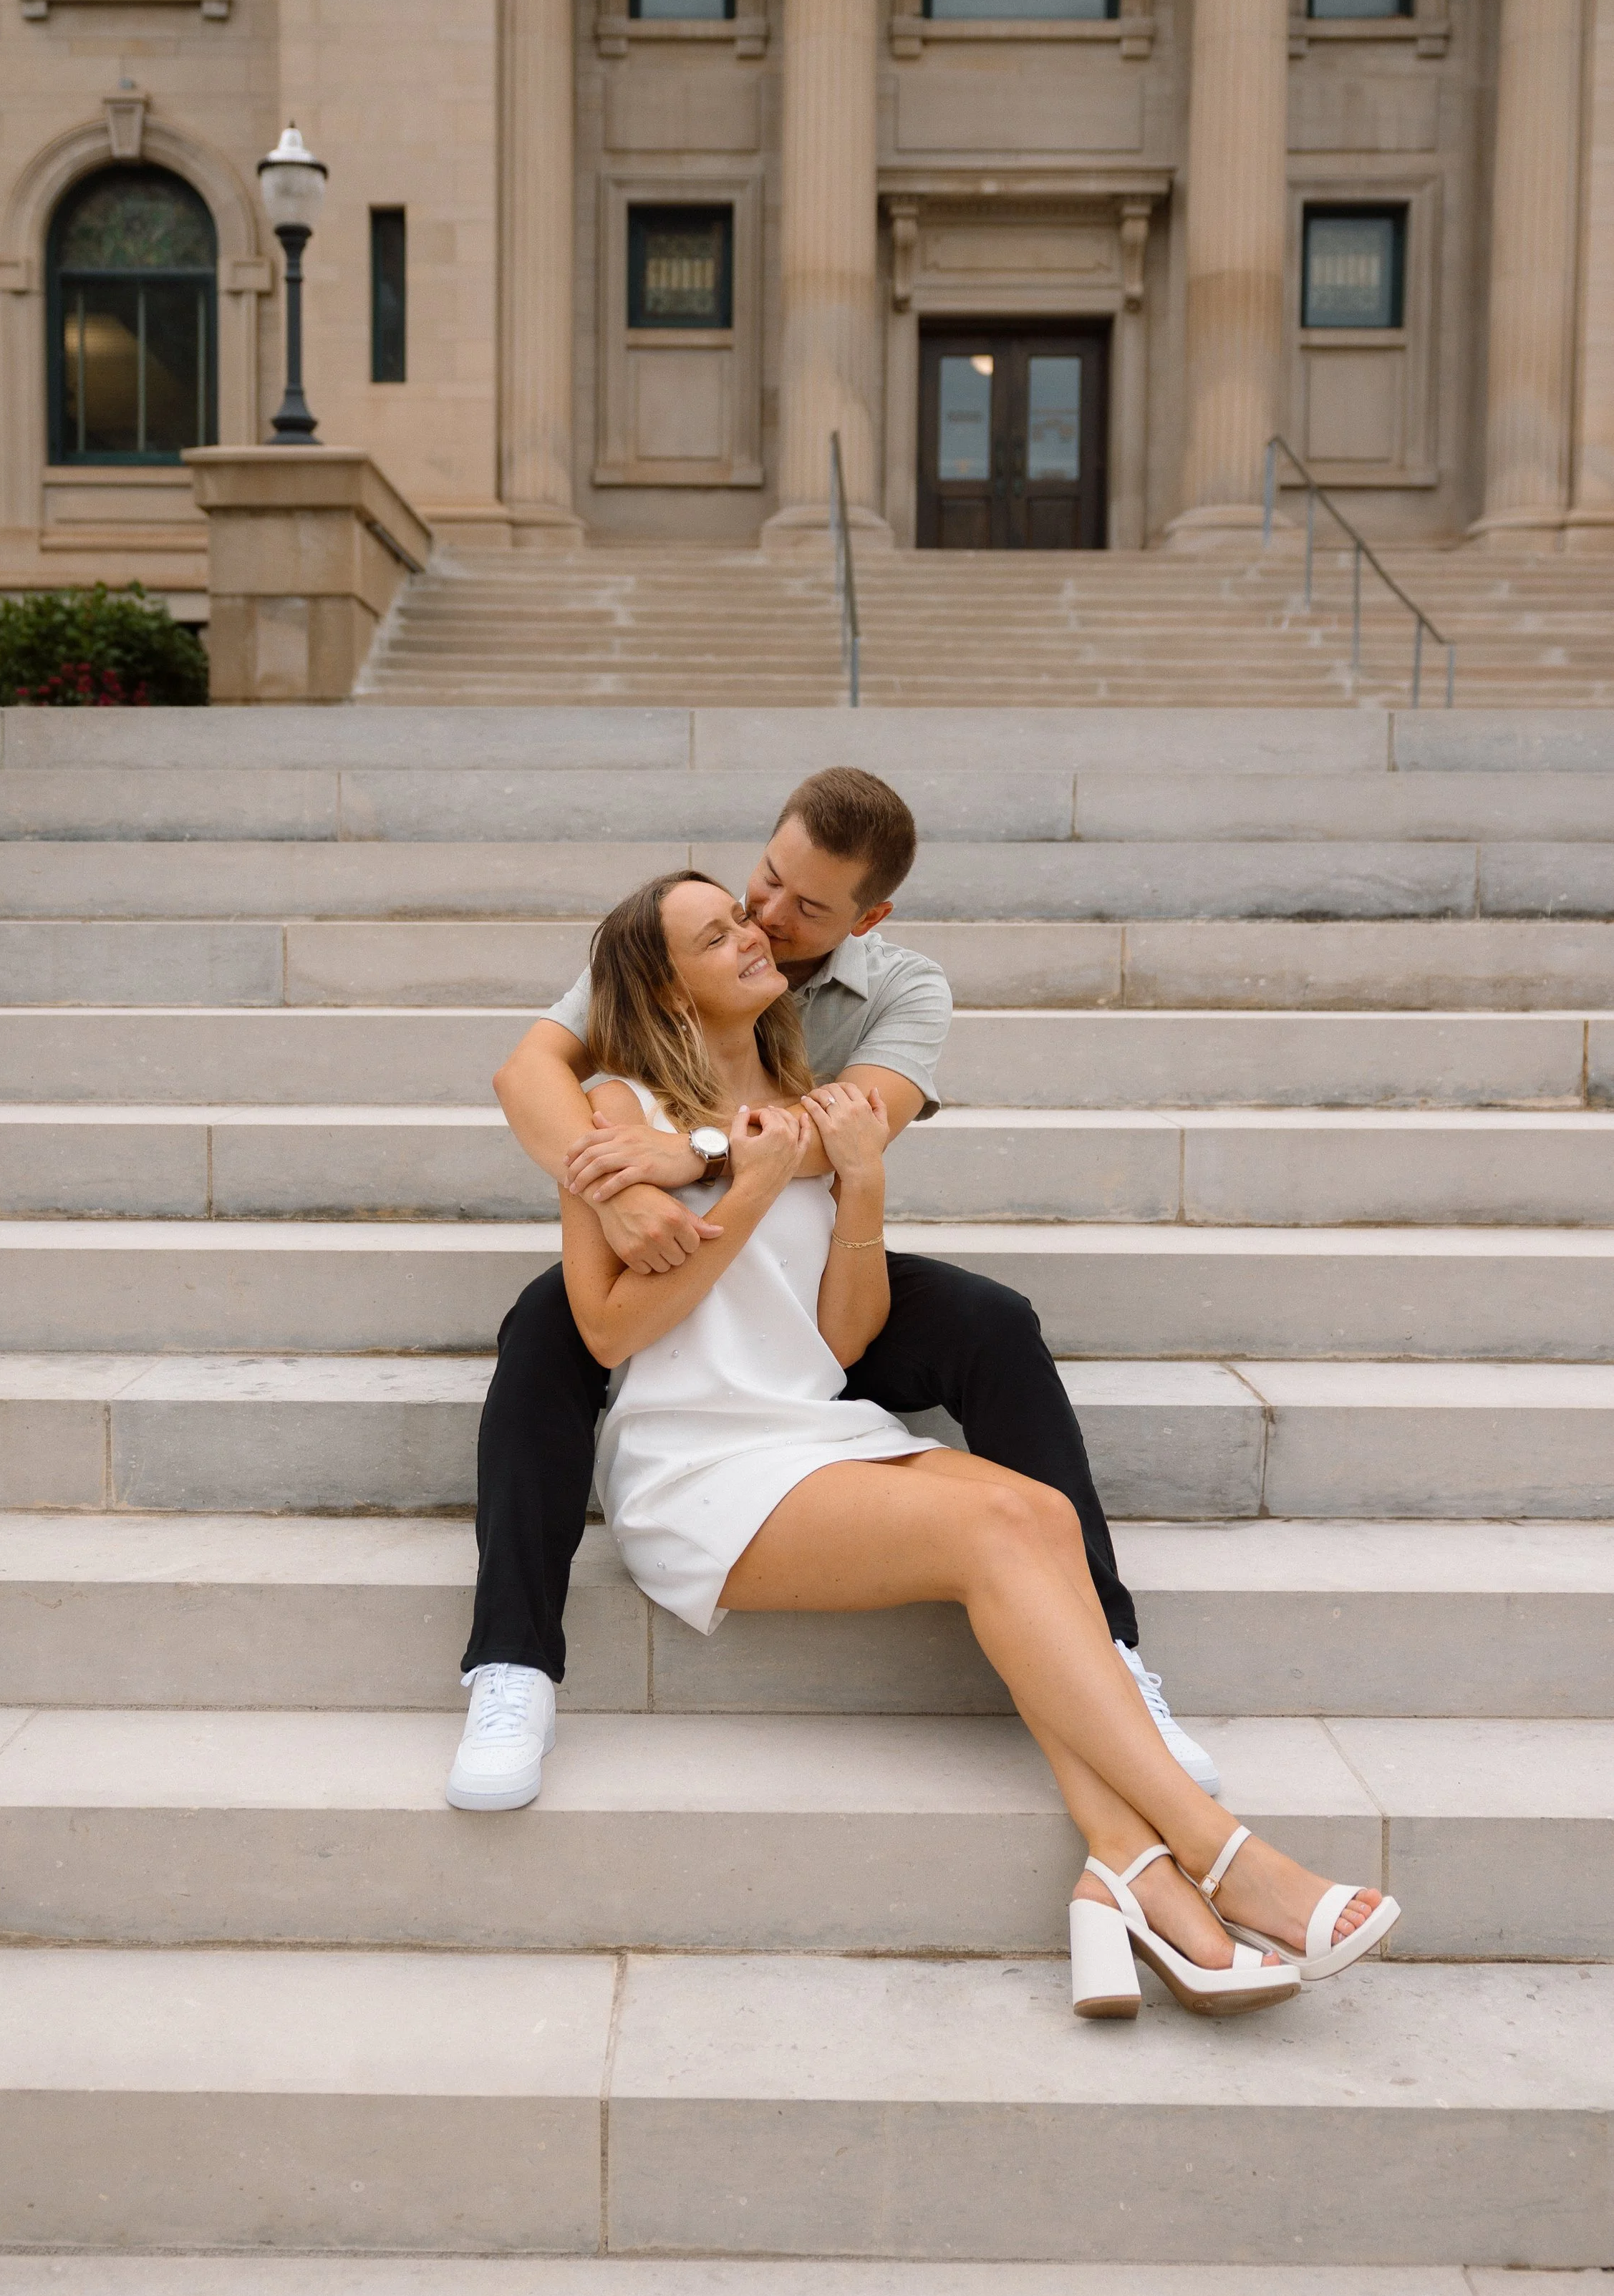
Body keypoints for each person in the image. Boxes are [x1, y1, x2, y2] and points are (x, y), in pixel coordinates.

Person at [561, 868, 1399, 2015]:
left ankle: (1126, 1868)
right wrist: (745, 1191)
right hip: (695, 1463)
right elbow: (607, 1330)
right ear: (664, 988)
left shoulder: (808, 1100)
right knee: (1002, 1521)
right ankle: (1222, 1851)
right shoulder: (615, 1110)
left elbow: (840, 1338)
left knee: (1040, 1513)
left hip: (809, 1424)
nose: (755, 935)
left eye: (743, 917)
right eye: (716, 935)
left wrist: (860, 1183)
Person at [449, 767, 1214, 1813]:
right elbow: (530, 1071)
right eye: (764, 880)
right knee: (548, 1324)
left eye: (805, 907)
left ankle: (1114, 1656)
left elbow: (845, 1128)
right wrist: (616, 1187)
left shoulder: (903, 988)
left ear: (867, 917)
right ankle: (513, 1662)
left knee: (995, 1325)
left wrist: (716, 1157)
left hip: (794, 1255)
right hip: (688, 1306)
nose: (766, 916)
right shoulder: (673, 939)